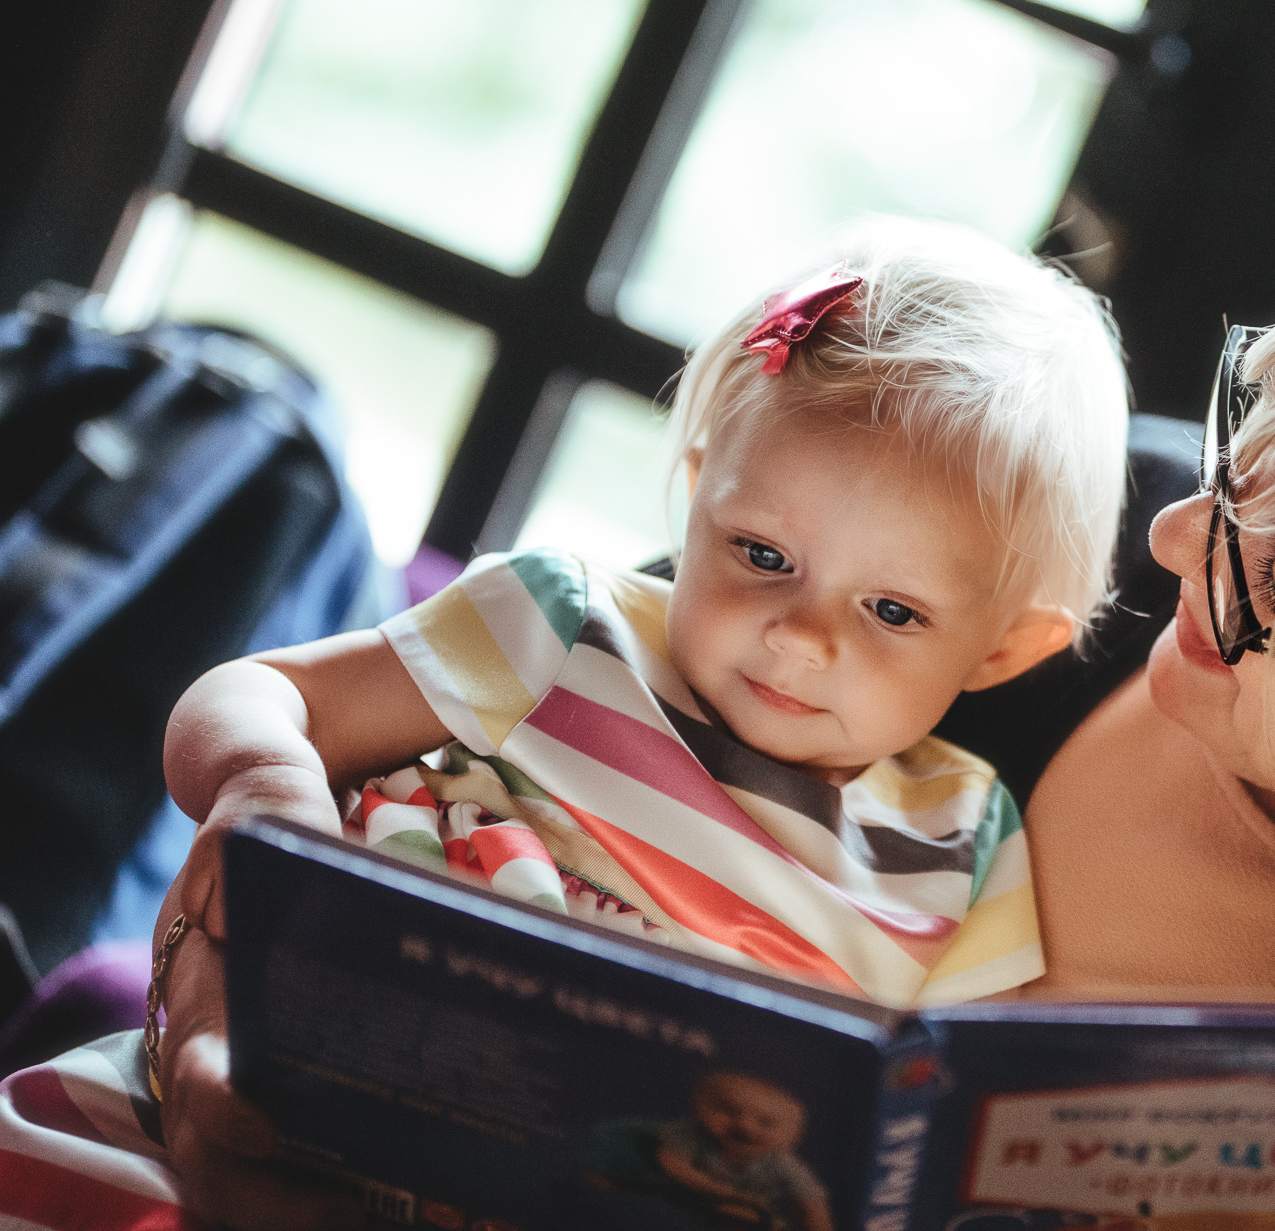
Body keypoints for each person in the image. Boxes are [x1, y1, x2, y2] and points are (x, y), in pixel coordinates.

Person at [0, 233, 1275, 1231]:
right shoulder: (1060, 567)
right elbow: (513, 756)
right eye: (1246, 478)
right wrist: (227, 1022)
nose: (1177, 549)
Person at [161, 216, 1128, 1017]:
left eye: (890, 609)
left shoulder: (965, 844)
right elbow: (266, 694)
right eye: (763, 555)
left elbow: (972, 1094)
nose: (799, 634)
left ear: (1003, 648)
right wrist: (262, 782)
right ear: (700, 494)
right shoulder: (566, 627)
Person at [584, 1071, 835, 1231]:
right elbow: (671, 1164)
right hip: (673, 1196)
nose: (744, 1126)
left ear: (790, 1137)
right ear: (702, 1109)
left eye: (765, 1123)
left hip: (734, 1217)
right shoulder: (692, 1133)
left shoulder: (783, 1165)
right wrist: (727, 1192)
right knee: (630, 1170)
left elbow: (812, 1201)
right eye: (729, 1111)